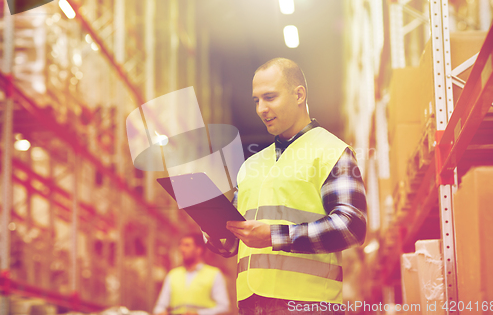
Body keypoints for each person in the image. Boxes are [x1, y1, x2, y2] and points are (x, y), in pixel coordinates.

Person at [205, 58, 367, 314]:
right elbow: (228, 245)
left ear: (299, 94)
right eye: (256, 100)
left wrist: (274, 236)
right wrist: (209, 221)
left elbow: (352, 226)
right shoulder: (252, 164)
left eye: (269, 97)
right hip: (251, 304)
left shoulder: (331, 152)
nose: (261, 109)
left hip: (308, 304)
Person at [153, 233, 230, 315]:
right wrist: (161, 312)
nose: (181, 249)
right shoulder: (172, 275)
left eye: (187, 245)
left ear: (199, 249)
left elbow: (224, 307)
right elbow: (160, 306)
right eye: (181, 245)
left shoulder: (214, 274)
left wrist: (199, 313)